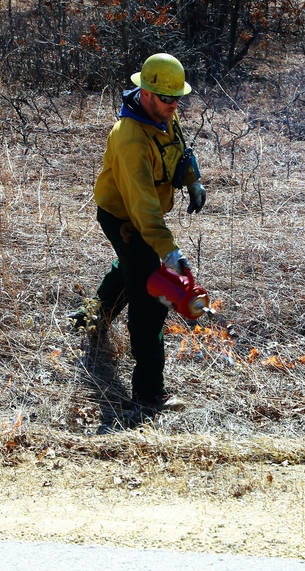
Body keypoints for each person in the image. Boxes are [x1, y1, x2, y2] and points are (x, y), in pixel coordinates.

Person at [71, 53, 205, 413]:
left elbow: (178, 151)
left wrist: (193, 181)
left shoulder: (161, 116)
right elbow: (143, 208)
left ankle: (86, 319)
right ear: (145, 93)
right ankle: (149, 393)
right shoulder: (130, 139)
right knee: (150, 298)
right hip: (124, 219)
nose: (174, 105)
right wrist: (169, 252)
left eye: (178, 98)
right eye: (167, 98)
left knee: (130, 271)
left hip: (144, 218)